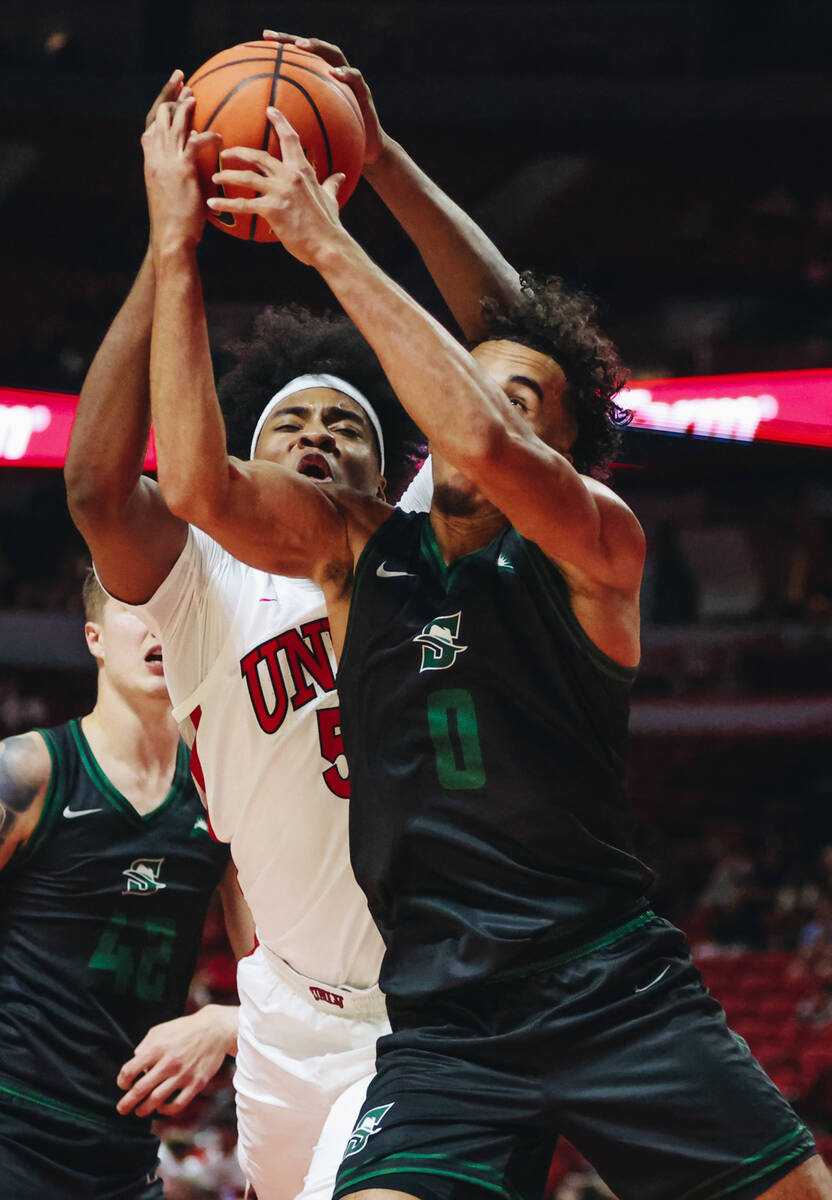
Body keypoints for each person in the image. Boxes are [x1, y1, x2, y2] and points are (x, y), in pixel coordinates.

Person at [140, 44, 832, 1200]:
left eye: (519, 395)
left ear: (564, 444)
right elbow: (204, 492)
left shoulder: (595, 543)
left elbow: (488, 424)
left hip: (612, 985)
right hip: (448, 1019)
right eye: (468, 378)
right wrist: (204, 237)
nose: (472, 398)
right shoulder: (371, 545)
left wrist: (329, 237)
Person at [66, 38, 519, 1200]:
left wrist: (385, 163)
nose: (318, 434)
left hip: (444, 1013)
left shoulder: (430, 538)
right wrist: (168, 244)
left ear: (389, 472)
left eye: (348, 425)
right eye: (289, 426)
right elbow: (97, 493)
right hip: (285, 1016)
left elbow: (524, 350)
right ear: (245, 470)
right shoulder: (208, 580)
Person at [0, 569, 250, 1200]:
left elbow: (296, 984)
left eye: (174, 611)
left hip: (123, 1159)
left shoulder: (225, 794)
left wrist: (226, 1025)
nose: (158, 624)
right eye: (136, 609)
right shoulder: (28, 772)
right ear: (94, 639)